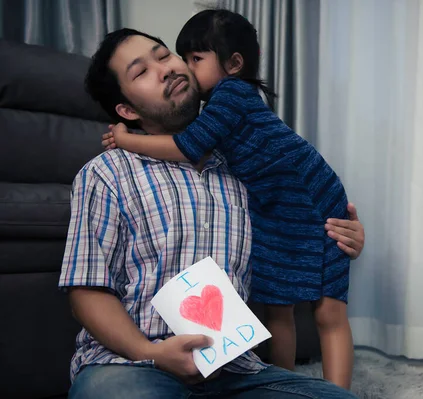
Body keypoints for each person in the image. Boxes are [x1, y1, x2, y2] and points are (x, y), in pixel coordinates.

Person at [59, 26, 364, 399]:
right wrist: (150, 353)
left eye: (164, 54)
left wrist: (340, 233)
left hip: (237, 371)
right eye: (141, 72)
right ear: (126, 110)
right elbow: (85, 290)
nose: (166, 68)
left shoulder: (250, 166)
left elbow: (299, 213)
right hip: (133, 367)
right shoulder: (107, 173)